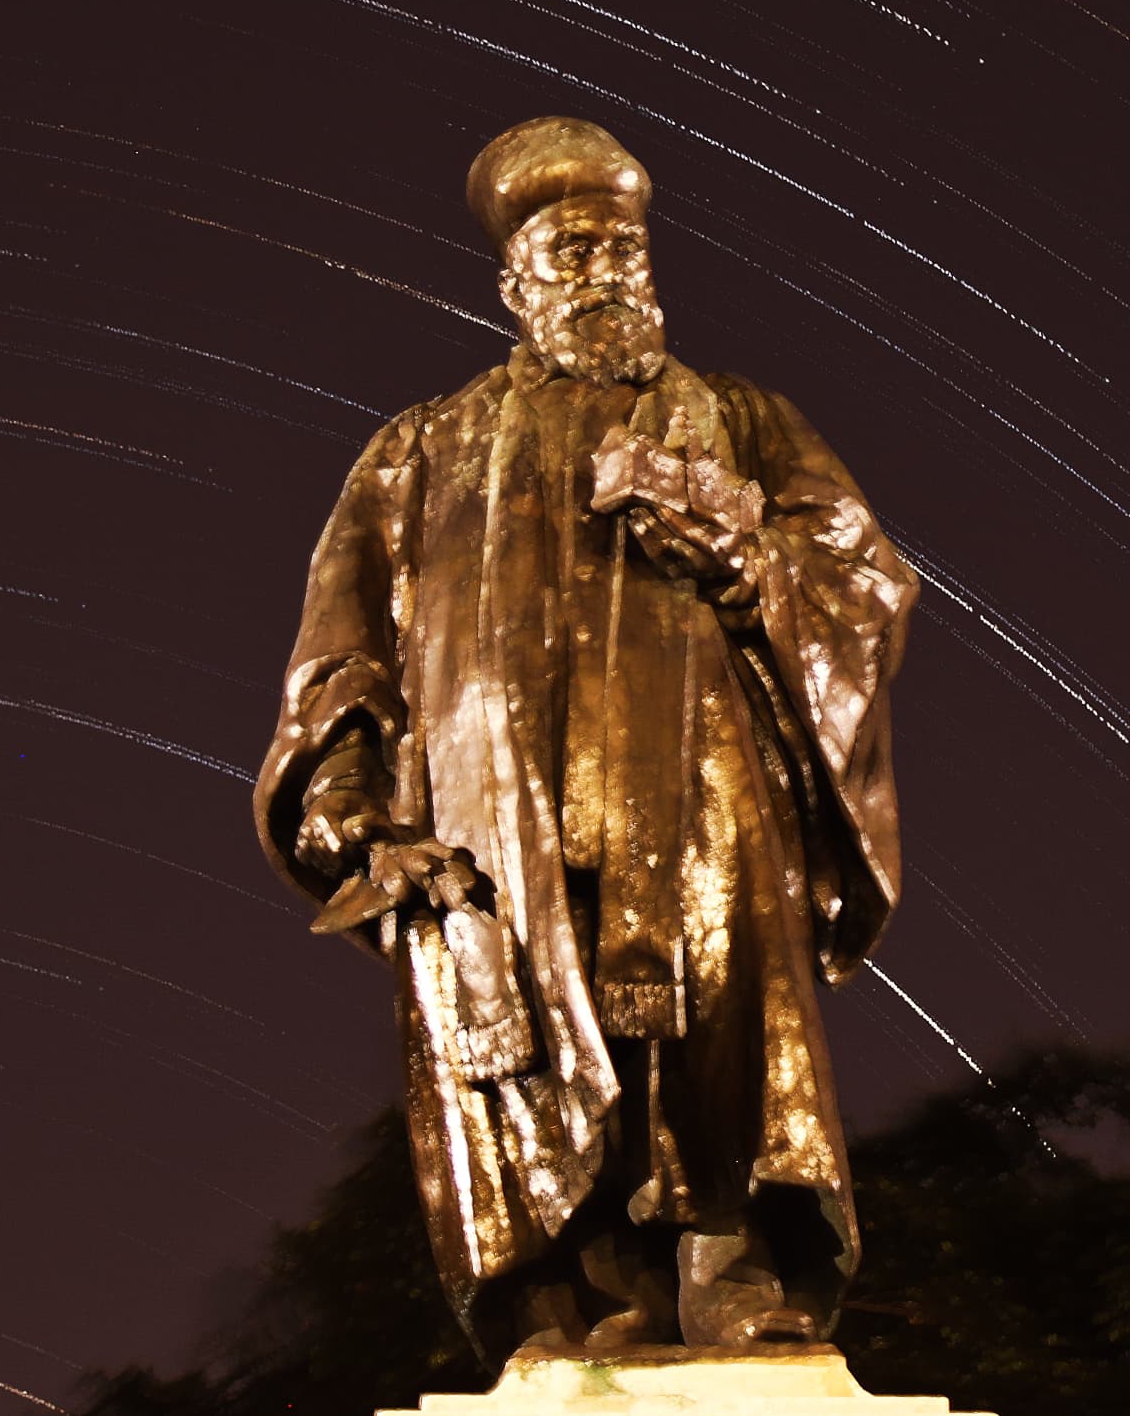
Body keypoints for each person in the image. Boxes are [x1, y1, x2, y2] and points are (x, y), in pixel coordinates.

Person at [253, 117, 914, 1353]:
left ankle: (737, 1274)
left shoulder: (742, 422)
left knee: (721, 1007)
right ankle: (569, 1297)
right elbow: (342, 652)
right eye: (573, 250)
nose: (606, 270)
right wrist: (350, 804)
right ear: (516, 283)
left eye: (625, 247)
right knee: (532, 1032)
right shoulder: (422, 450)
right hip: (494, 801)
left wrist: (744, 562)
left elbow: (860, 577)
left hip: (701, 778)